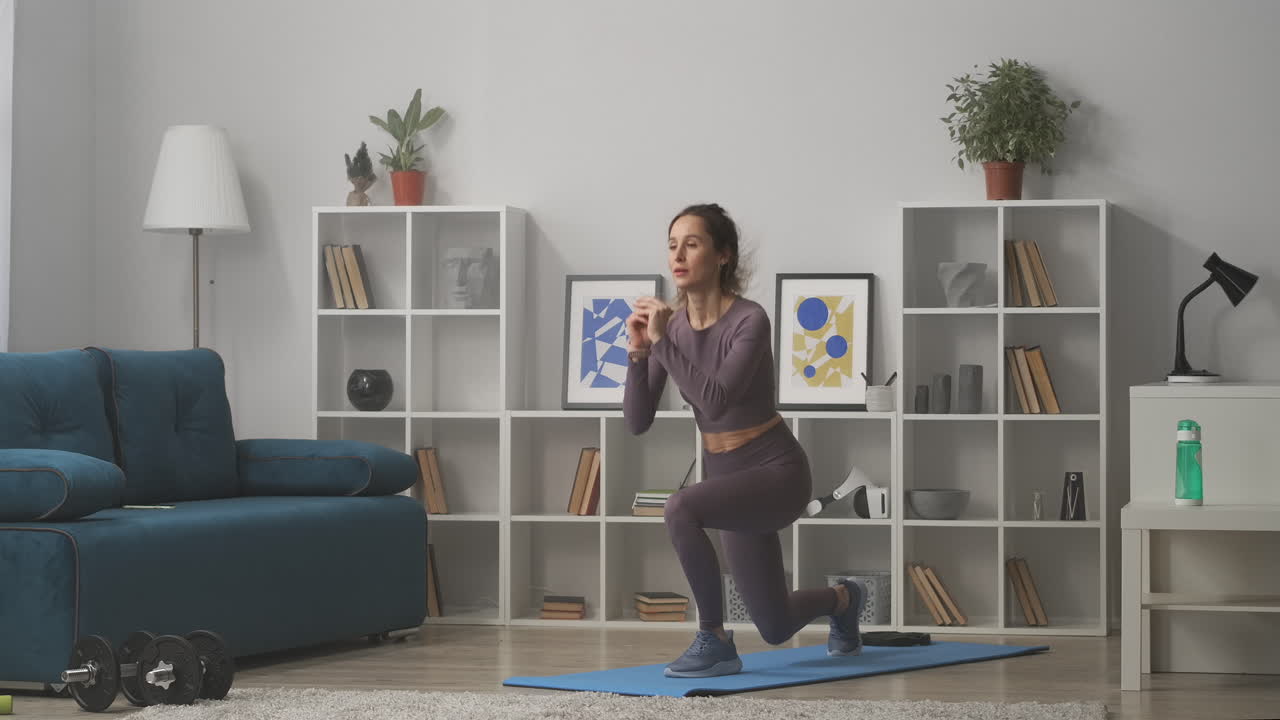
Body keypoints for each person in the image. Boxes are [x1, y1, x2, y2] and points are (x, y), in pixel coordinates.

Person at [624, 203, 867, 679]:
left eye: (692, 243)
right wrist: (638, 352)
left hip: (776, 475)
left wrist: (663, 342)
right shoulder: (669, 328)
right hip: (727, 480)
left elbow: (714, 401)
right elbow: (636, 422)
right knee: (775, 625)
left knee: (680, 507)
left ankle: (713, 639)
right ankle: (845, 599)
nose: (678, 254)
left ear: (723, 256)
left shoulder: (749, 320)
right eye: (673, 245)